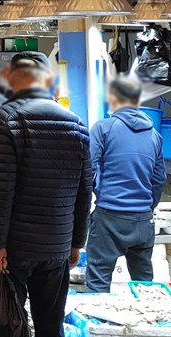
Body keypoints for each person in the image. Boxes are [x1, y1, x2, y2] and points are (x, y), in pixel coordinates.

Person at [0, 52, 92, 337]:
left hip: (13, 248)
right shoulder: (76, 123)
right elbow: (85, 189)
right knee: (50, 326)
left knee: (8, 324)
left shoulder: (4, 119)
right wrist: (77, 242)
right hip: (57, 246)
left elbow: (0, 189)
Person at [86, 77, 166, 293]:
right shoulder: (154, 134)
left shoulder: (103, 128)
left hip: (109, 217)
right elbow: (159, 179)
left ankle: (99, 327)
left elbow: (88, 171)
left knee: (98, 283)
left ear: (112, 98)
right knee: (145, 286)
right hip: (143, 220)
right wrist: (147, 207)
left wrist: (98, 195)